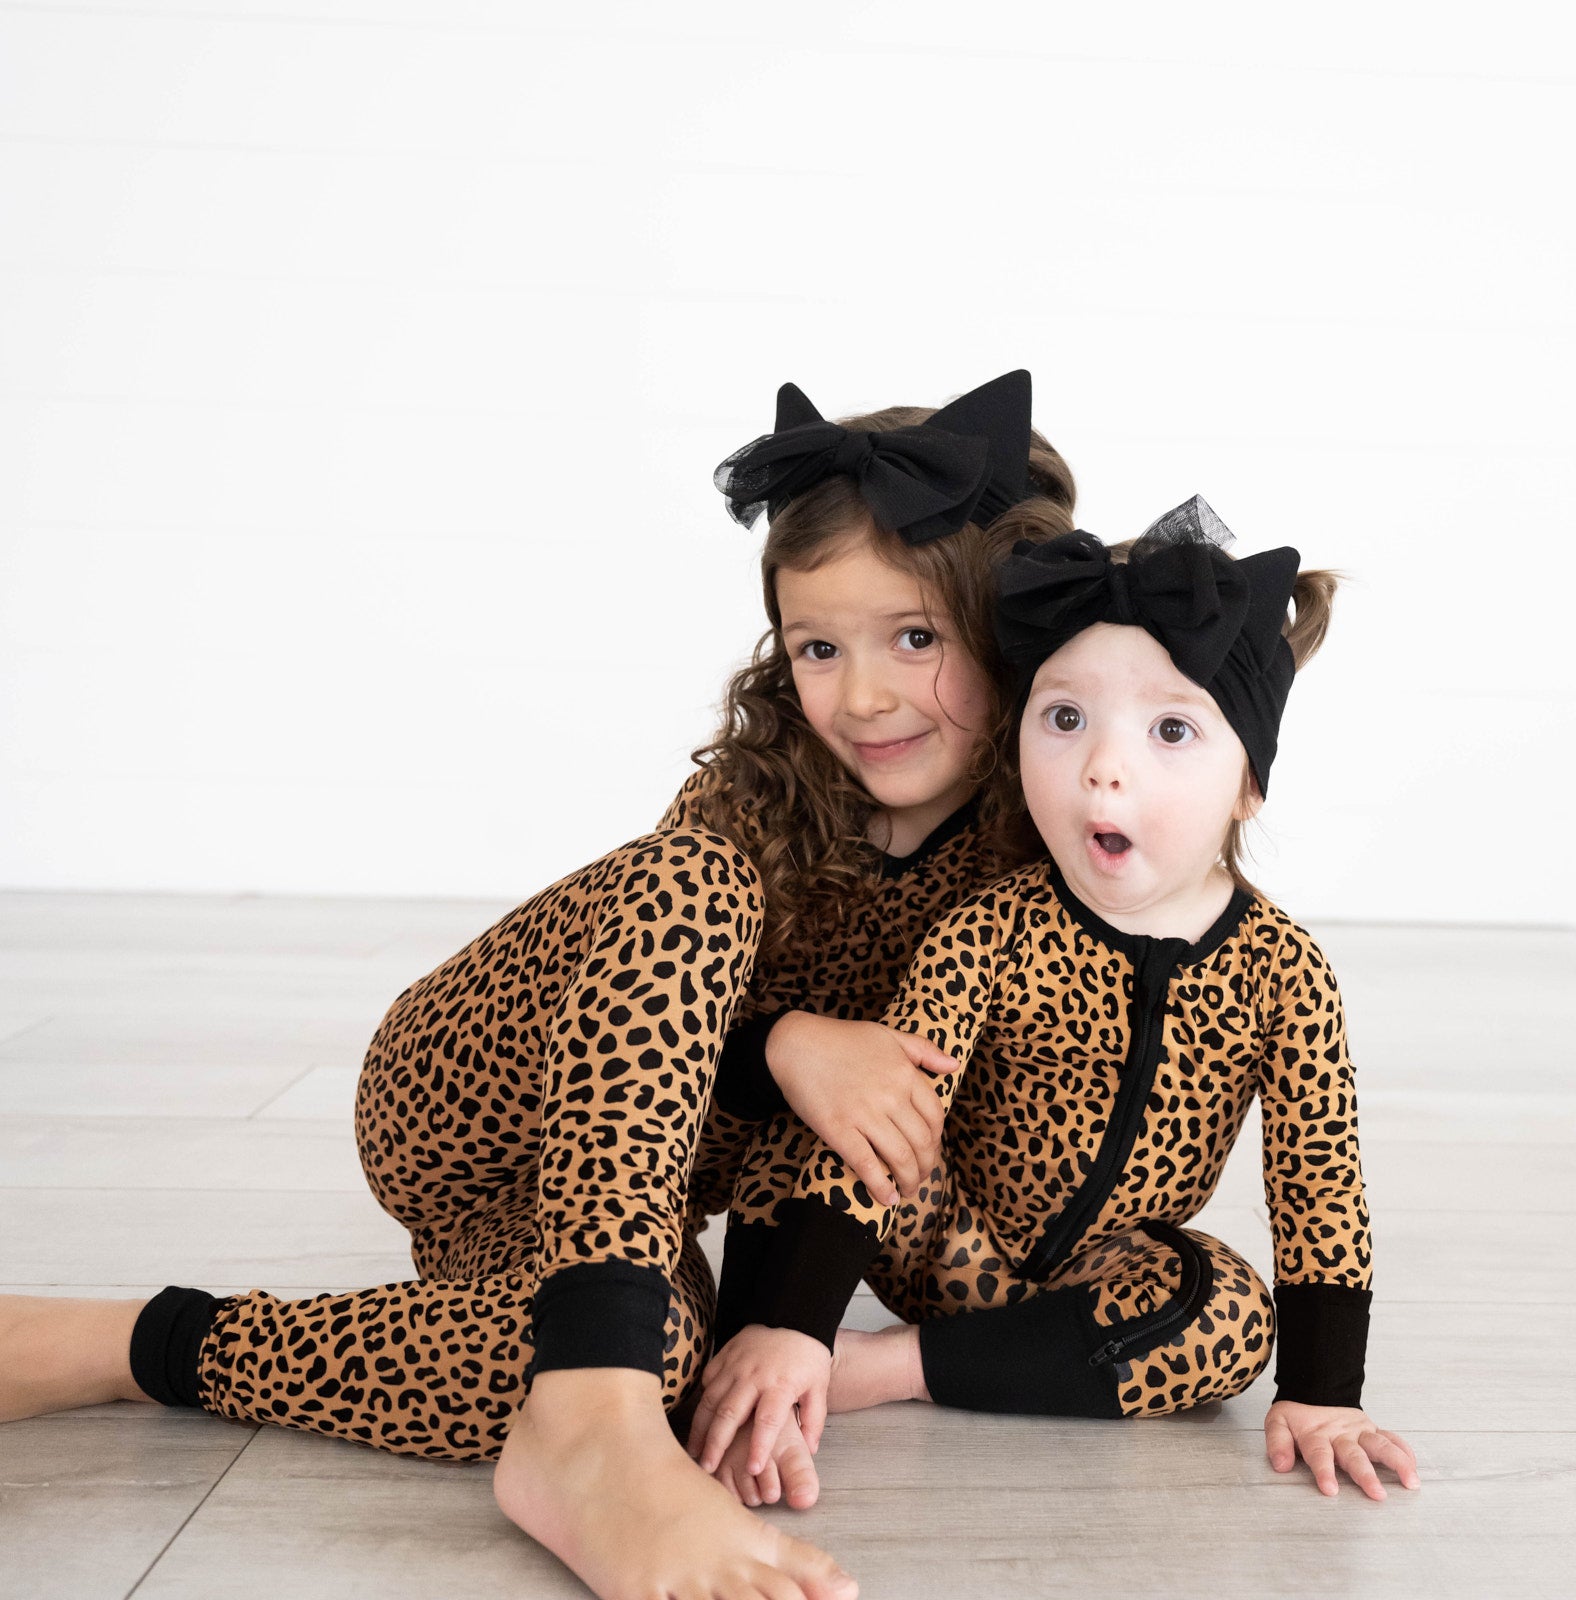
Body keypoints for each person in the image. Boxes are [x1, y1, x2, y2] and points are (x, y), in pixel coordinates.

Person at [0, 372, 1076, 1600]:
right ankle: (598, 1428)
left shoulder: (1029, 860)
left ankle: (120, 1345)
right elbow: (649, 987)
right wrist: (779, 1042)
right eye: (818, 647)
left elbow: (847, 1136)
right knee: (693, 887)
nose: (864, 694)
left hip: (603, 1214)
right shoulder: (761, 792)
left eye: (916, 638)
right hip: (475, 1095)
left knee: (642, 1344)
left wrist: (796, 1316)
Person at [691, 495, 1422, 1511]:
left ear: (1247, 781)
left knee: (1226, 1316)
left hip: (1105, 1268)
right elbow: (890, 1108)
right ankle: (771, 1345)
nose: (1101, 765)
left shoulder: (1281, 971)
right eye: (1064, 717)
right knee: (831, 1115)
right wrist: (791, 1313)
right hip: (936, 1224)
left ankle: (891, 1367)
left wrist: (1323, 1393)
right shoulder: (991, 928)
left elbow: (1319, 1183)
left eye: (1170, 728)